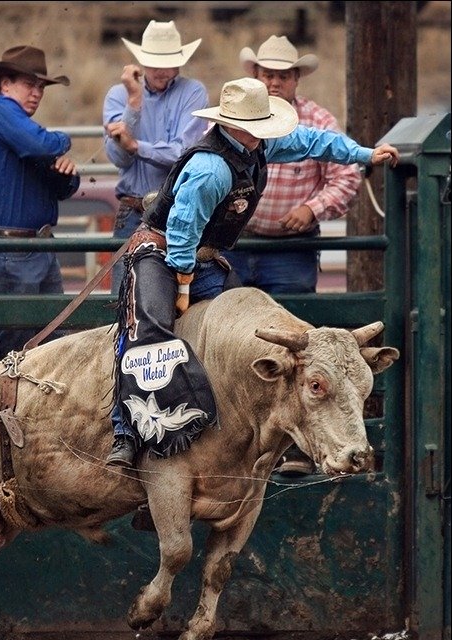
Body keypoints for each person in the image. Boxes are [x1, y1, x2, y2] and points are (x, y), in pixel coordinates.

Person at [106, 77, 399, 468]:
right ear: (240, 127)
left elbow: (312, 141)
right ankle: (126, 432)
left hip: (203, 256)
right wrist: (182, 279)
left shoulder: (254, 147)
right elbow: (180, 227)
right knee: (151, 333)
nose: (267, 133)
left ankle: (241, 432)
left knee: (242, 331)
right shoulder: (211, 169)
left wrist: (362, 154)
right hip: (161, 255)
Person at [227, 35, 363, 477]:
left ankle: (300, 449)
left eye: (283, 75)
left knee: (304, 352)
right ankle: (240, 441)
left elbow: (346, 176)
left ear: (296, 78)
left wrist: (312, 208)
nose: (276, 81)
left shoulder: (318, 120)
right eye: (268, 74)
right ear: (257, 77)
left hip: (291, 249)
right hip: (239, 245)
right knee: (238, 344)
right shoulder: (239, 120)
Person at [0, 45, 80, 362]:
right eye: (29, 84)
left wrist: (66, 171)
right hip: (10, 248)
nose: (36, 93)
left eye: (41, 87)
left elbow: (63, 187)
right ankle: (1, 412)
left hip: (36, 246)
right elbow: (40, 144)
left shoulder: (20, 130)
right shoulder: (0, 111)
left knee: (50, 345)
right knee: (16, 346)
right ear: (5, 85)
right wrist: (63, 142)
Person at [103, 20, 209, 294]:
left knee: (179, 296)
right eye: (154, 62)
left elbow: (184, 153)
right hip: (133, 209)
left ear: (179, 63)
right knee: (123, 299)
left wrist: (136, 145)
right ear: (141, 63)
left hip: (177, 210)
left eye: (169, 62)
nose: (162, 70)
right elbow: (119, 158)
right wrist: (134, 103)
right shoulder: (119, 96)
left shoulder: (193, 91)